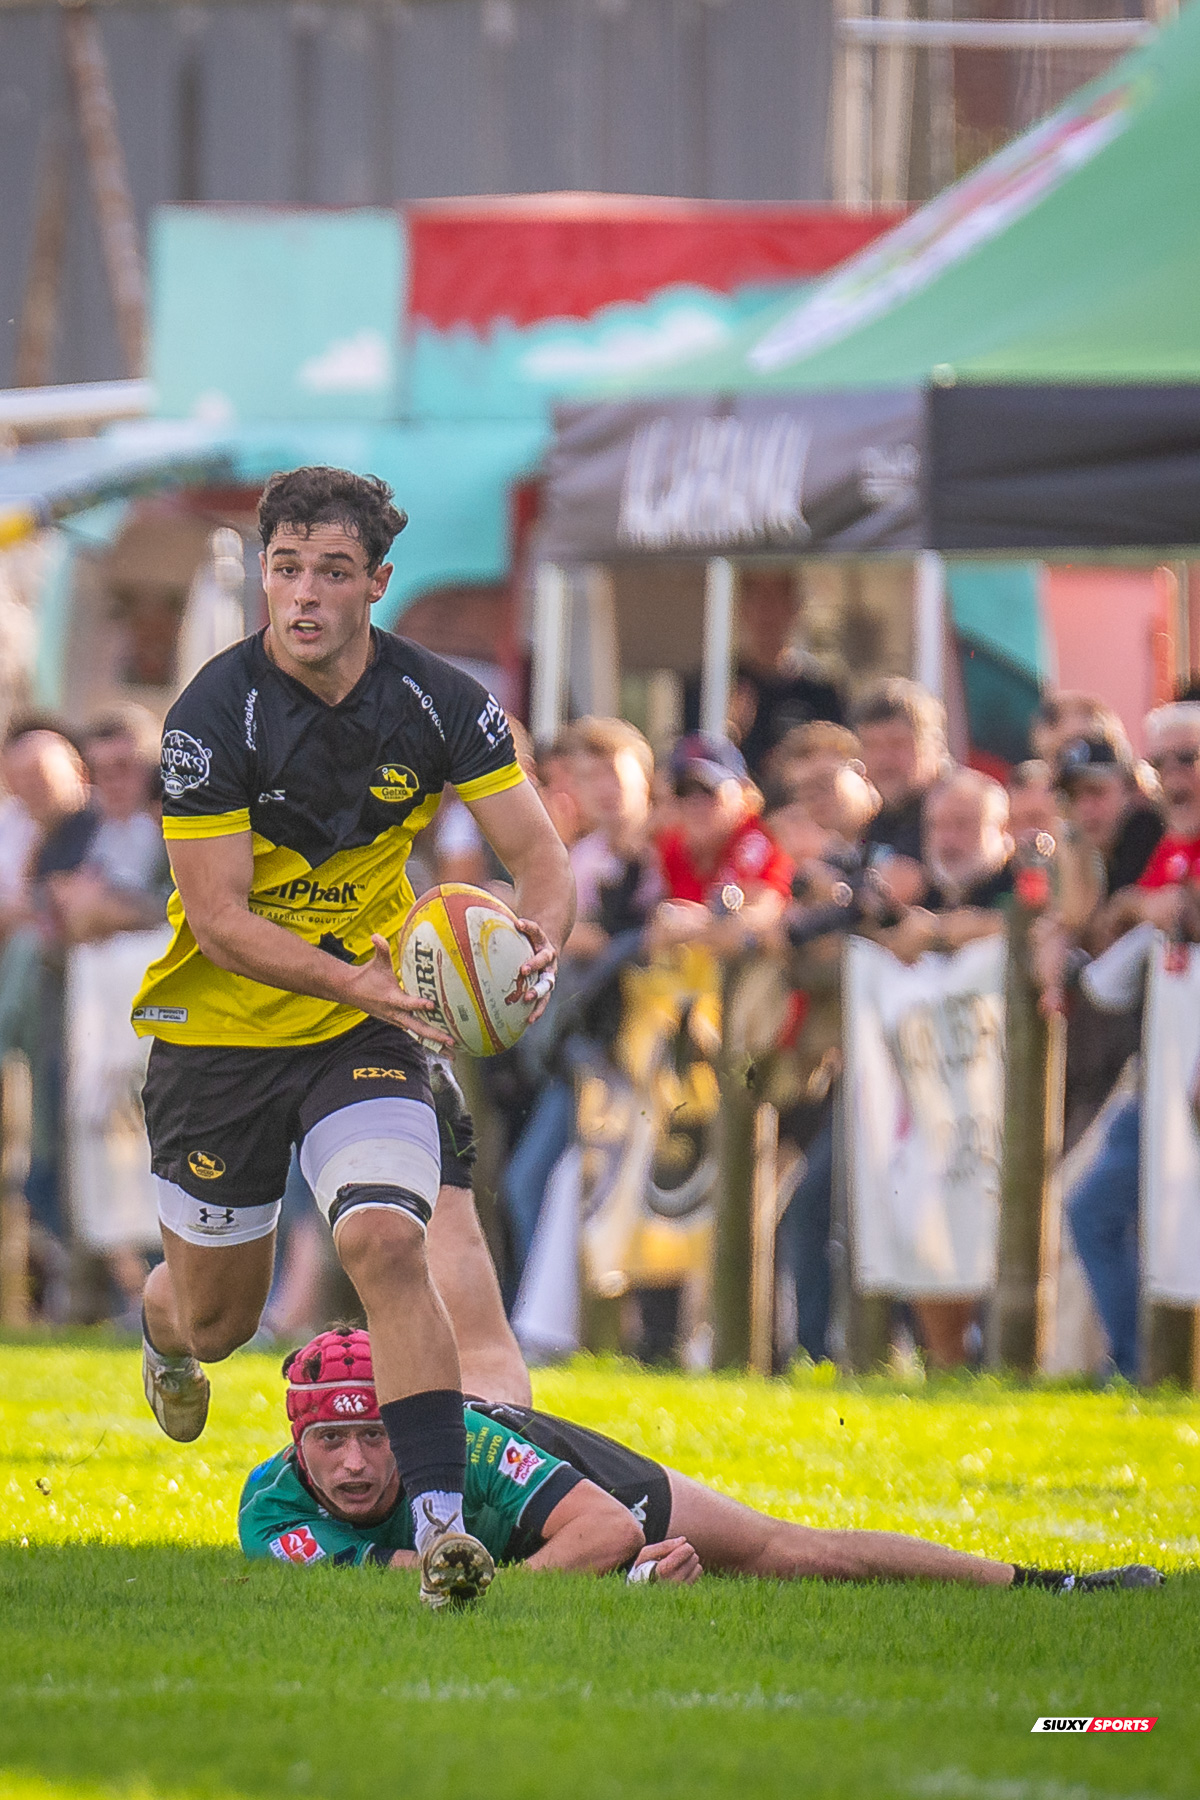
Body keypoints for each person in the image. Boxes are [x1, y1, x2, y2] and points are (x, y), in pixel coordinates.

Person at [132, 464, 573, 1610]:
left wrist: (542, 943)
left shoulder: (442, 702)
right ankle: (161, 1325)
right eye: (286, 570)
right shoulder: (208, 717)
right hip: (220, 1038)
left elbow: (543, 860)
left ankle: (438, 1531)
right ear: (261, 576)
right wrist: (363, 983)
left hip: (361, 1028)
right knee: (219, 1318)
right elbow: (221, 922)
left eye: (334, 572)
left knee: (386, 1243)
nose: (306, 595)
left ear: (377, 584)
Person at [239, 1325, 1162, 1593]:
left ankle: (1049, 1585)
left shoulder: (471, 1446)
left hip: (540, 1460)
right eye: (332, 1441)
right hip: (495, 1495)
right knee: (474, 1325)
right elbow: (399, 1583)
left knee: (794, 1553)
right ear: (296, 1444)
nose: (357, 1463)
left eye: (377, 1436)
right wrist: (620, 1587)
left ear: (411, 1431)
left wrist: (611, 1570)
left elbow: (599, 1529)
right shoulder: (273, 1510)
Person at [1058, 703, 1200, 1380]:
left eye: (1189, 759)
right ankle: (1140, 1370)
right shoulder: (1173, 844)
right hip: (1168, 1078)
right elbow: (1118, 936)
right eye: (1162, 762)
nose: (1174, 776)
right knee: (1092, 1210)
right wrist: (1140, 906)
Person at [684, 569, 844, 781]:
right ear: (741, 608)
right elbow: (690, 767)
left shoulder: (820, 691)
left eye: (777, 600)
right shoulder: (715, 686)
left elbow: (839, 758)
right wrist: (729, 731)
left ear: (795, 610)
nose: (766, 612)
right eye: (757, 600)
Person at [851, 679, 948, 906]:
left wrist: (837, 889)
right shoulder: (874, 813)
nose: (884, 759)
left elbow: (899, 888)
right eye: (872, 745)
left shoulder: (955, 805)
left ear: (935, 746)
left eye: (897, 744)